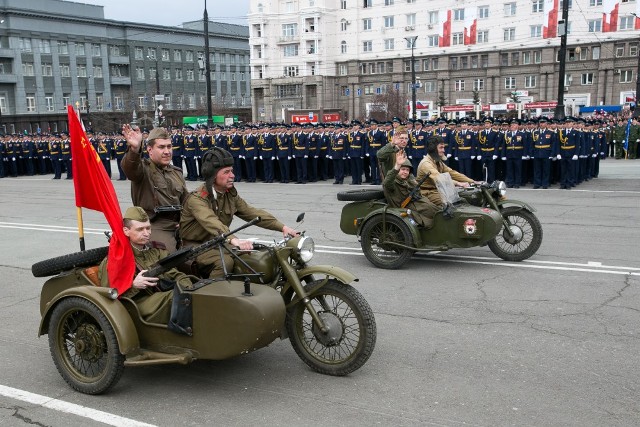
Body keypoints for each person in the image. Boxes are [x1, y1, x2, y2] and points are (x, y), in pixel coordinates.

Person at [179, 147, 299, 278]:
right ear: (213, 176)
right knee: (225, 263)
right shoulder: (197, 199)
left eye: (231, 171)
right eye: (226, 172)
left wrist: (283, 227)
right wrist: (234, 240)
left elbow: (252, 213)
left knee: (256, 256)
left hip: (216, 243)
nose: (232, 175)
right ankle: (212, 295)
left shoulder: (229, 194)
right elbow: (211, 222)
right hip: (194, 247)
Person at [98, 207, 193, 324]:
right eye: (140, 229)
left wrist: (190, 286)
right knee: (177, 297)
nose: (146, 233)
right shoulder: (115, 261)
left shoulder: (156, 251)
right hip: (135, 305)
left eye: (148, 228)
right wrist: (134, 285)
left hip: (156, 295)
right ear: (126, 231)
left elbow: (174, 273)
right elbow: (108, 295)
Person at [121, 124, 188, 252]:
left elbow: (187, 202)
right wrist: (134, 150)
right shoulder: (143, 170)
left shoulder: (176, 172)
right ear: (150, 150)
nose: (167, 151)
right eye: (161, 147)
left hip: (179, 223)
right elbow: (130, 169)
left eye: (169, 146)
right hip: (154, 224)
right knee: (169, 256)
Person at [417, 135, 480, 206]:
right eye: (441, 148)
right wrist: (458, 183)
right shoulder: (426, 163)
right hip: (427, 193)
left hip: (437, 190)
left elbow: (452, 173)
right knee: (452, 204)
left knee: (464, 198)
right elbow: (439, 179)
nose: (443, 150)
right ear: (433, 149)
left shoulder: (437, 161)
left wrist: (472, 181)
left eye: (443, 147)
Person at [383, 149, 438, 228]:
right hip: (404, 208)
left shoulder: (407, 181)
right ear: (398, 170)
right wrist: (397, 166)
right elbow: (387, 182)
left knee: (435, 209)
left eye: (407, 170)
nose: (405, 172)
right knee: (431, 213)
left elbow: (417, 191)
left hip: (415, 204)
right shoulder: (393, 182)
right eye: (403, 169)